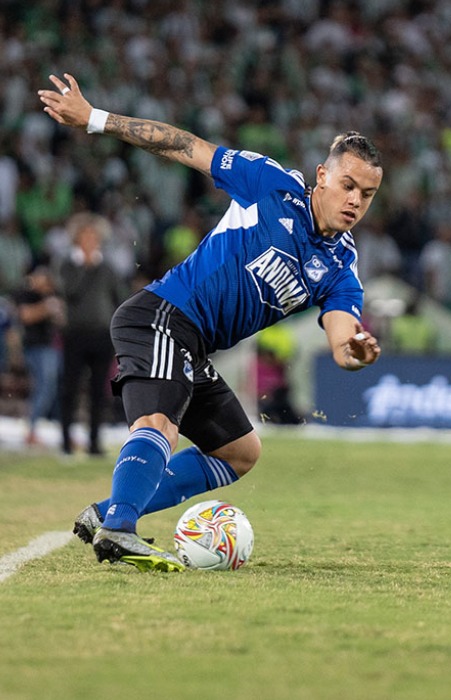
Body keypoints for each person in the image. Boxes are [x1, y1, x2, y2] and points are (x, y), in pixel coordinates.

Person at [39, 73, 383, 572]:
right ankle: (119, 530)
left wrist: (353, 352)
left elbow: (341, 335)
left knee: (241, 452)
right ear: (322, 176)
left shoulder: (340, 268)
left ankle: (111, 511)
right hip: (160, 315)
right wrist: (94, 118)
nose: (354, 200)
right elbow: (185, 147)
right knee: (159, 424)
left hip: (193, 345)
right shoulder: (272, 185)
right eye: (348, 184)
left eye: (367, 194)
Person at [55, 213, 127, 456]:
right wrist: (85, 266)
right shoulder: (67, 266)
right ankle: (65, 443)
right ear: (77, 239)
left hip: (101, 336)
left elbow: (120, 298)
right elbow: (69, 291)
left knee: (99, 390)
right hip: (74, 335)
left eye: (93, 237)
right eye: (85, 236)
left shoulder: (107, 268)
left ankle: (94, 442)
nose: (90, 241)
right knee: (70, 389)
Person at [14, 266, 63, 447]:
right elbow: (26, 316)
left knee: (56, 389)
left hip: (52, 347)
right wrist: (46, 307)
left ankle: (60, 430)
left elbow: (60, 319)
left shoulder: (52, 295)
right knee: (44, 387)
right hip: (36, 347)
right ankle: (32, 429)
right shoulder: (27, 294)